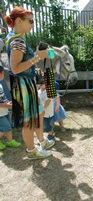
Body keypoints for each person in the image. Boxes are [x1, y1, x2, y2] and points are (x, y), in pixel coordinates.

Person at [4, 7, 51, 159]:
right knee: (28, 121)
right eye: (30, 21)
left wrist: (36, 56)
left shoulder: (17, 38)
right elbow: (15, 69)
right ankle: (32, 151)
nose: (32, 24)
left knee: (40, 112)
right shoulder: (17, 41)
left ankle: (41, 141)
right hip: (22, 84)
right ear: (19, 21)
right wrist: (37, 57)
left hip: (26, 83)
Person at [0, 65, 21, 150]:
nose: (3, 75)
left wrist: (8, 103)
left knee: (8, 127)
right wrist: (7, 106)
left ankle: (10, 141)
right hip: (0, 113)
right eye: (2, 73)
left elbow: (2, 99)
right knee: (6, 127)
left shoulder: (0, 85)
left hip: (4, 111)